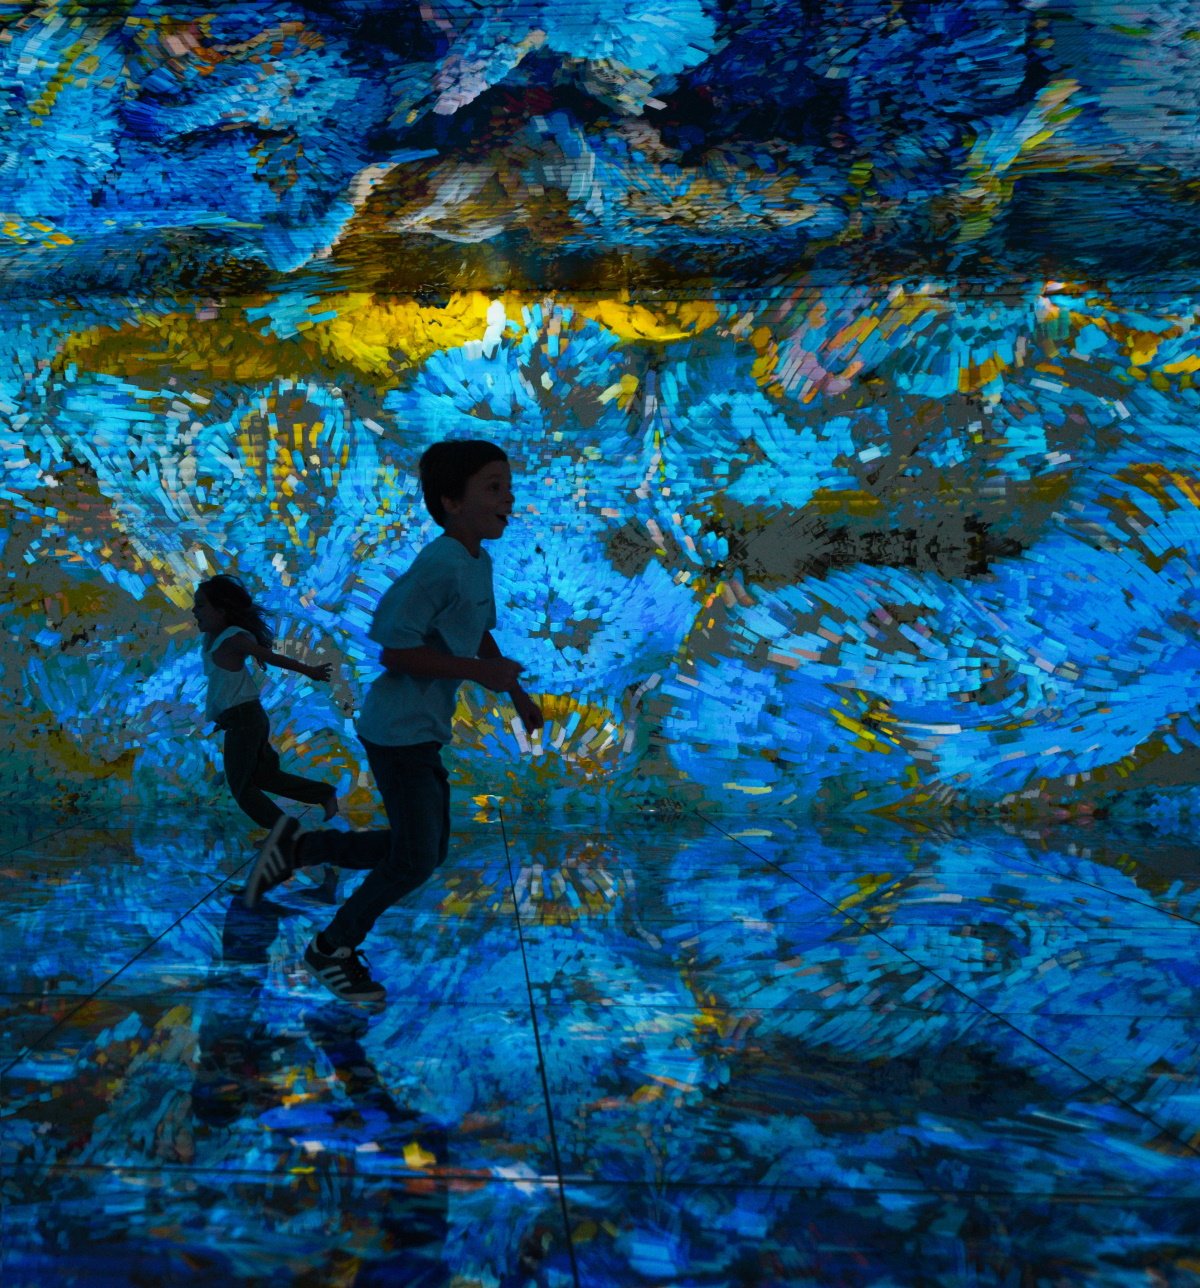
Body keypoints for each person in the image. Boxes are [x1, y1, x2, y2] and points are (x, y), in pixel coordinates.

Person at [242, 439, 543, 1004]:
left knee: (421, 851)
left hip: (419, 730)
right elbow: (395, 653)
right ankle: (331, 948)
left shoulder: (478, 562)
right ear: (451, 502)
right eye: (494, 487)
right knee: (414, 859)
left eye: (508, 485)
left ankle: (301, 852)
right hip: (397, 731)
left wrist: (516, 693)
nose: (508, 498)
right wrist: (479, 674)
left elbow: (476, 631)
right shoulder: (439, 566)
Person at [193, 575, 341, 898]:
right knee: (264, 776)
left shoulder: (232, 638)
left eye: (201, 606)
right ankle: (323, 793)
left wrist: (312, 672)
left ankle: (285, 833)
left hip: (246, 721)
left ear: (222, 610)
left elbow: (272, 658)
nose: (195, 611)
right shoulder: (216, 637)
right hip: (242, 720)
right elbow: (225, 688)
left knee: (242, 788)